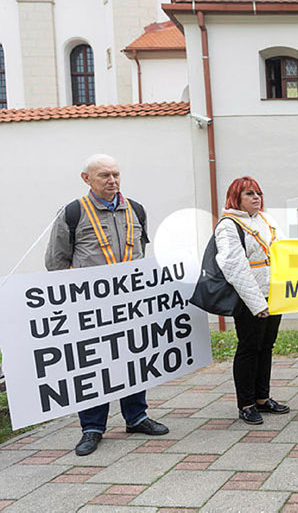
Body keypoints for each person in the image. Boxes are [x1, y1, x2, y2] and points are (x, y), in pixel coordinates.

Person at [45, 154, 169, 456]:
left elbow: (138, 254)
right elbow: (55, 262)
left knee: (133, 359)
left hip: (129, 304)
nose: (112, 181)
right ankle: (92, 427)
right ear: (86, 179)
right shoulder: (73, 213)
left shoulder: (135, 210)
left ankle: (136, 416)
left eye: (115, 174)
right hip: (90, 309)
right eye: (104, 176)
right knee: (93, 365)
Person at [215, 176, 290, 424]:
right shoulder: (228, 225)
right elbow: (235, 268)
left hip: (274, 293)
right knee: (249, 348)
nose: (256, 197)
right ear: (236, 197)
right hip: (250, 298)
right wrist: (257, 304)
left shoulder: (266, 220)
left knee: (266, 347)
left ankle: (262, 398)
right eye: (249, 193)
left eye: (258, 193)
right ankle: (246, 403)